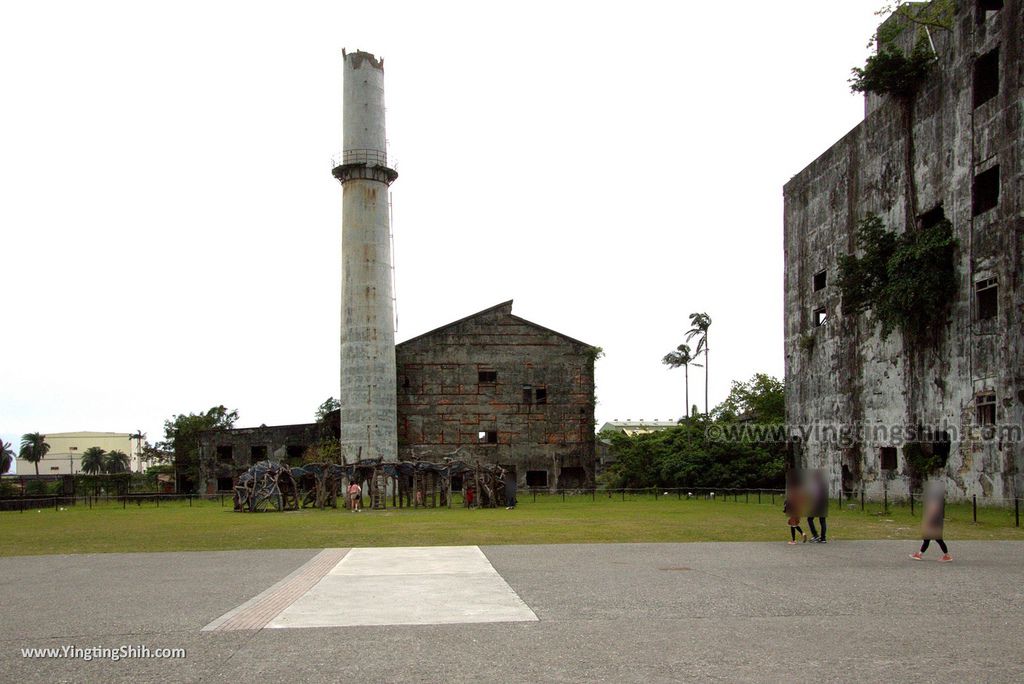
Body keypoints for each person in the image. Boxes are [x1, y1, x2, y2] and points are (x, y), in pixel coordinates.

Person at [910, 480, 952, 562]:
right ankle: (920, 554)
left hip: (934, 521)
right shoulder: (939, 499)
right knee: (929, 539)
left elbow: (934, 510)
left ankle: (947, 555)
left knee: (936, 539)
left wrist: (929, 521)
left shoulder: (936, 500)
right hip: (936, 521)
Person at [784, 471, 807, 545]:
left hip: (793, 509)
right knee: (793, 523)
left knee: (792, 524)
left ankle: (796, 538)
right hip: (799, 509)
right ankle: (800, 535)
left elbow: (790, 500)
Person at [806, 469, 828, 543]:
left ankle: (815, 535)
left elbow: (815, 496)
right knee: (822, 521)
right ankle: (823, 538)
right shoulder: (824, 484)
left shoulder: (815, 485)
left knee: (809, 519)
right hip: (824, 504)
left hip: (817, 504)